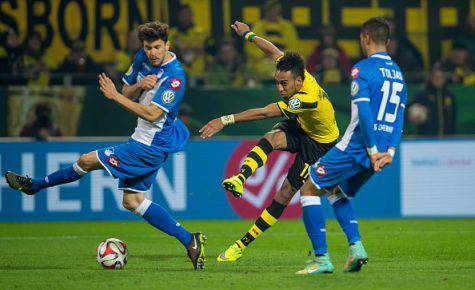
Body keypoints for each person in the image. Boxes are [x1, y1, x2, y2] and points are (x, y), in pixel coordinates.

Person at [5, 21, 206, 270]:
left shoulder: (175, 77)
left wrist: (115, 97)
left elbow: (153, 114)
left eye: (157, 47)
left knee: (85, 160)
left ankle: (35, 185)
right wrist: (137, 86)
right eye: (148, 47)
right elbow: (127, 89)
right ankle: (190, 240)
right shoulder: (143, 56)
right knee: (132, 202)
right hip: (145, 139)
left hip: (149, 145)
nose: (152, 53)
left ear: (168, 45)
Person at [199, 21, 339, 262]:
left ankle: (241, 244)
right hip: (303, 126)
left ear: (298, 82)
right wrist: (249, 35)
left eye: (284, 84)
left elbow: (265, 112)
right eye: (277, 82)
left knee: (285, 193)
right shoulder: (293, 71)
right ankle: (241, 178)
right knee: (271, 137)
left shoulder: (306, 98)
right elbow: (274, 51)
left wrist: (225, 119)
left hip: (319, 145)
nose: (279, 87)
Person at [295, 17, 407, 275]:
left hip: (358, 146)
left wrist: (371, 149)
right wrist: (388, 152)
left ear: (365, 38)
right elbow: (399, 115)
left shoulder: (362, 70)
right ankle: (356, 249)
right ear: (387, 41)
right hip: (379, 151)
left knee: (309, 188)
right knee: (336, 192)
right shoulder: (399, 74)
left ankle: (321, 259)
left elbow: (365, 114)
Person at [245, 0, 299, 83]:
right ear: (265, 12)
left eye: (275, 10)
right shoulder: (257, 27)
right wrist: (266, 55)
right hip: (262, 62)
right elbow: (250, 48)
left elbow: (293, 47)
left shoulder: (288, 27)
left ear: (279, 12)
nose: (272, 13)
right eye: (270, 11)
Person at [408, 67, 456, 136]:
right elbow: (408, 109)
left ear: (444, 79)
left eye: (440, 77)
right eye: (435, 77)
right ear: (431, 78)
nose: (438, 79)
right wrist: (410, 115)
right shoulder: (422, 95)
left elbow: (453, 117)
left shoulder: (450, 96)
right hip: (426, 138)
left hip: (447, 138)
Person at [169, 4, 209, 85]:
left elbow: (209, 51)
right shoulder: (171, 34)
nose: (184, 18)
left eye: (187, 15)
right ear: (177, 17)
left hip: (199, 75)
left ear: (191, 16)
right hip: (179, 75)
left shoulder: (202, 33)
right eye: (182, 15)